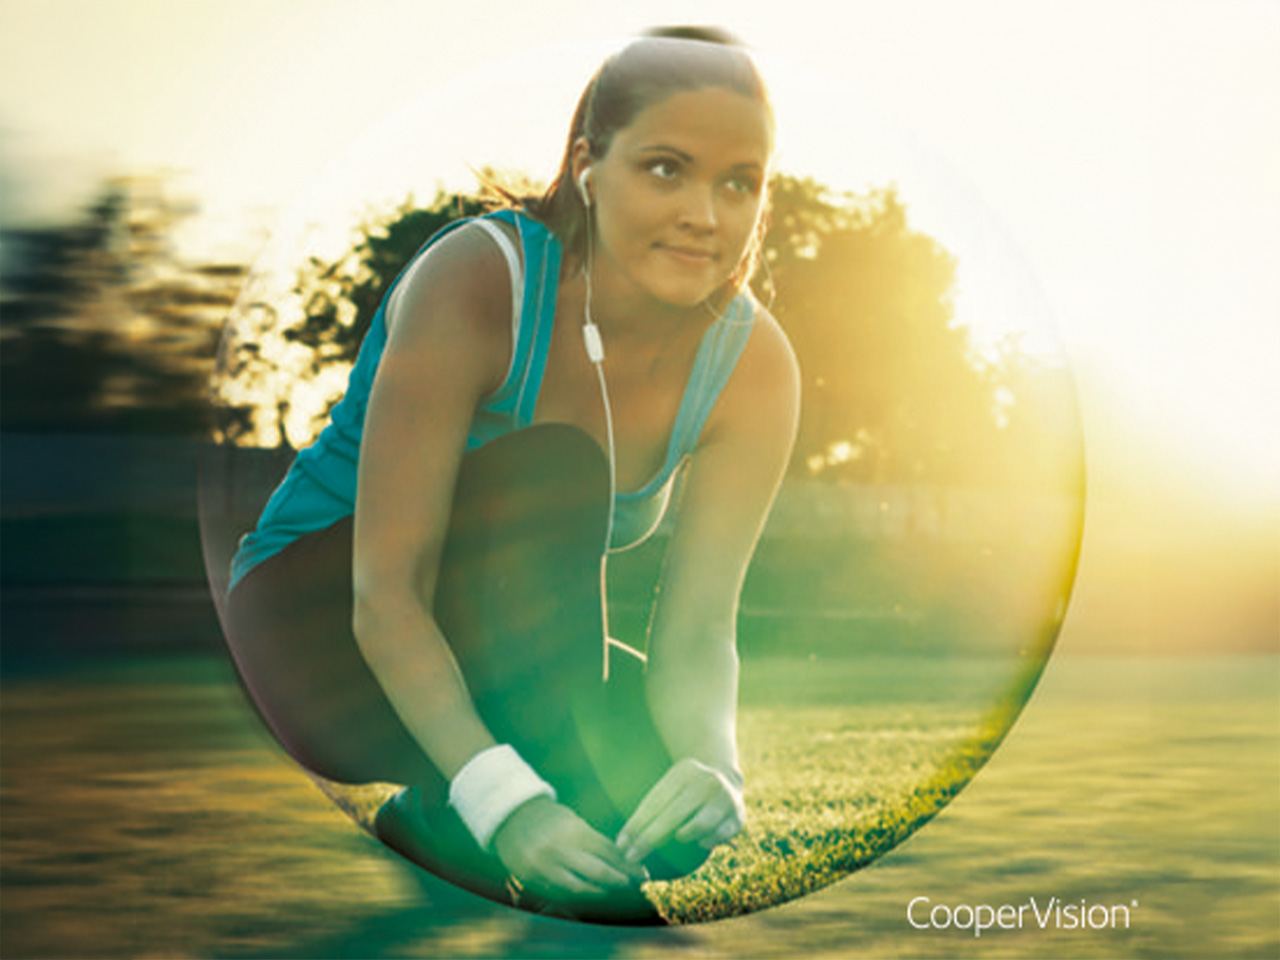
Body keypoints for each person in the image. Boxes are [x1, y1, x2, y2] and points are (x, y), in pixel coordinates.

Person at [221, 26, 799, 923]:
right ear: (586, 168)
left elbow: (696, 631)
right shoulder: (479, 279)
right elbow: (388, 592)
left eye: (739, 182)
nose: (706, 214)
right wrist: (512, 803)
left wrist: (715, 767)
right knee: (560, 468)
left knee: (671, 824)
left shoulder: (754, 366)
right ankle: (478, 802)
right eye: (664, 169)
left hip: (504, 660)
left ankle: (434, 818)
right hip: (316, 640)